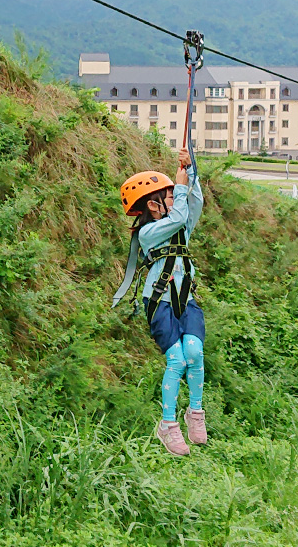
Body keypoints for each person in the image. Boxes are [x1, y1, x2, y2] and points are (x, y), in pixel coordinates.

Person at [119, 148, 206, 456]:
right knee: (177, 360)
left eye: (173, 193)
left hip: (186, 298)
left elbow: (194, 203)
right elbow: (182, 211)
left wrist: (189, 169)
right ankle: (167, 425)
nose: (175, 198)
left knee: (194, 352)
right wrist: (181, 184)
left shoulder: (180, 225)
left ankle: (195, 413)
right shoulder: (149, 232)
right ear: (153, 206)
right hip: (160, 303)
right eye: (168, 195)